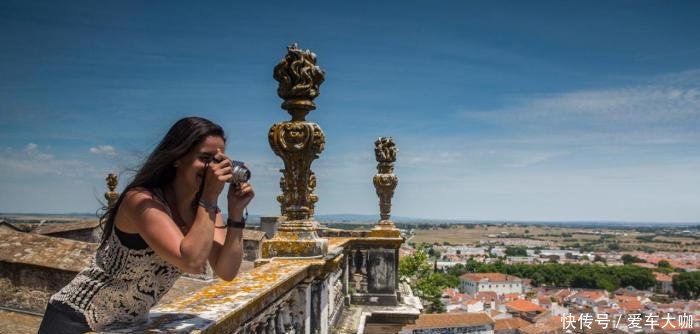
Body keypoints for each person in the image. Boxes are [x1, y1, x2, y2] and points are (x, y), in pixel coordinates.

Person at [38, 117, 254, 333]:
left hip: (127, 325)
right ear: (177, 158)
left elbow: (226, 270)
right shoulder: (141, 201)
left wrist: (235, 214)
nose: (213, 168)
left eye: (219, 160)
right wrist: (209, 196)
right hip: (76, 319)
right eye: (205, 158)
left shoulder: (205, 210)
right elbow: (191, 261)